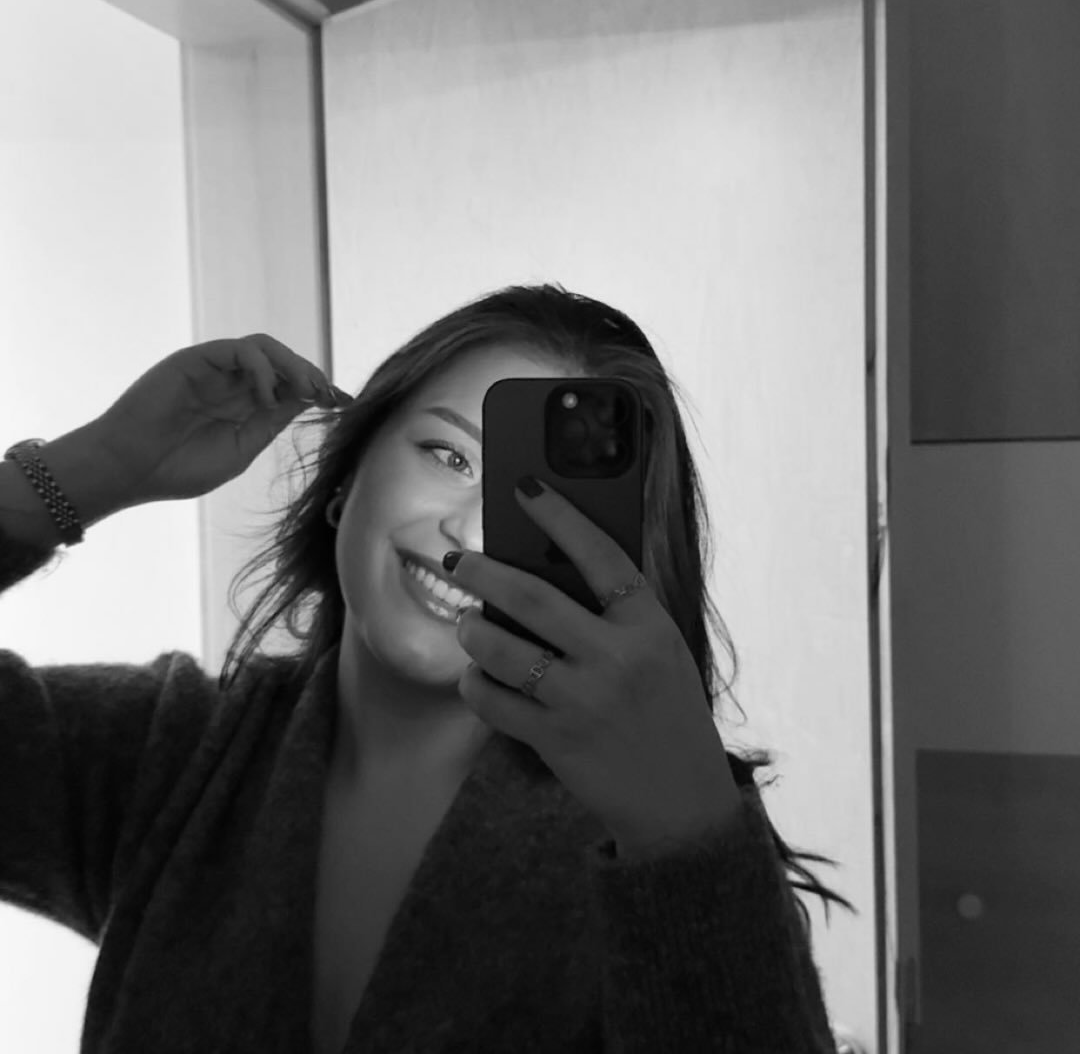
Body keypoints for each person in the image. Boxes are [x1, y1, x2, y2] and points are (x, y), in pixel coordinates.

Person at [0, 283, 856, 1054]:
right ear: (346, 477)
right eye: (449, 457)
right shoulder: (173, 751)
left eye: (543, 504)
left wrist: (688, 830)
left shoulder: (655, 838)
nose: (474, 534)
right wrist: (86, 473)